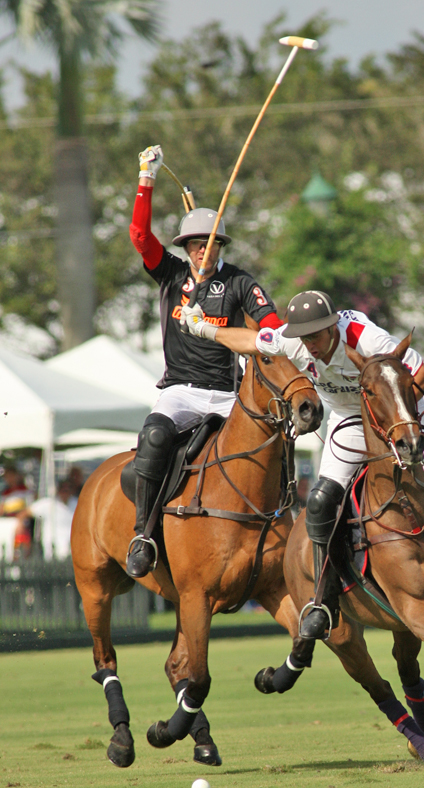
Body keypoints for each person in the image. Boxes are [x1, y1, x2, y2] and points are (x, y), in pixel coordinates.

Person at [181, 290, 424, 639]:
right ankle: (323, 601)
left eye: (315, 336)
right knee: (321, 502)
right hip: (350, 420)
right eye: (304, 337)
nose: (310, 345)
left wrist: (392, 416)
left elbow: (423, 373)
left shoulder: (366, 338)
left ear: (332, 326)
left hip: (399, 414)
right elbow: (250, 341)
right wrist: (202, 328)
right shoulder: (293, 341)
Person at [127, 145, 282, 578]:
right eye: (196, 245)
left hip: (229, 395)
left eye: (209, 245)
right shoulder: (172, 274)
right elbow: (140, 236)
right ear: (187, 247)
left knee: (277, 438)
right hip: (180, 391)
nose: (202, 252)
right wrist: (146, 178)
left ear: (219, 246)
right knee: (153, 436)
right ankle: (143, 534)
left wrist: (265, 337)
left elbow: (272, 328)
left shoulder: (239, 282)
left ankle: (283, 519)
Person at [17, 480, 74, 562]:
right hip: (52, 547)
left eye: (68, 490)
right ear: (58, 490)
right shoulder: (49, 503)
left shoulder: (76, 503)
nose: (65, 493)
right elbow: (24, 513)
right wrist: (20, 525)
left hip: (73, 547)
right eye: (63, 490)